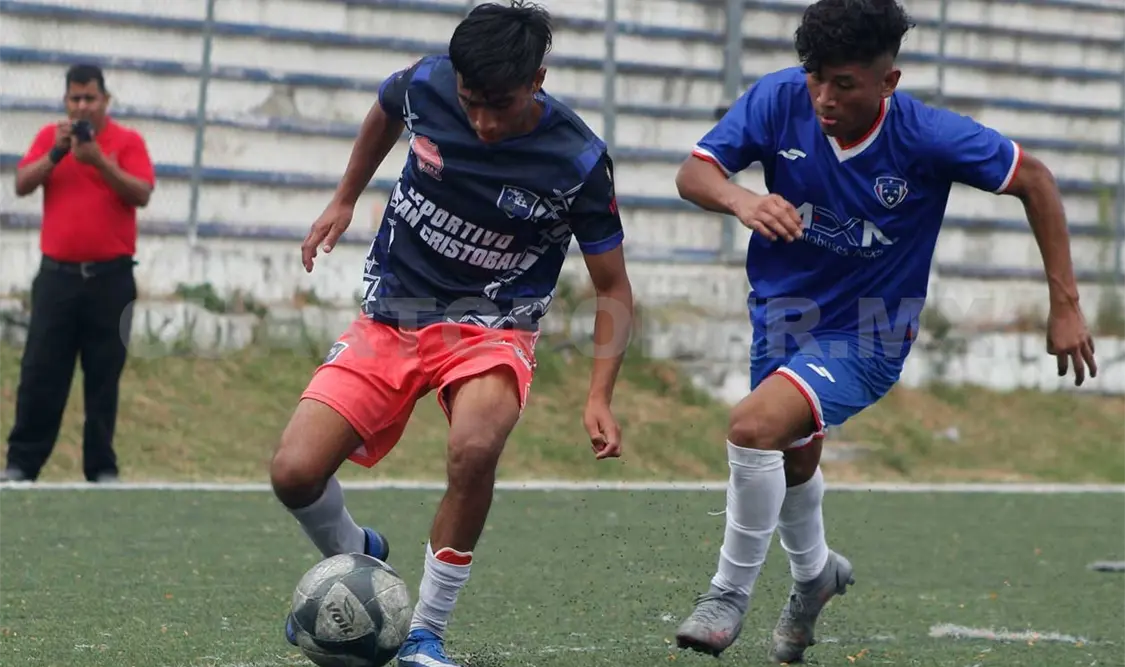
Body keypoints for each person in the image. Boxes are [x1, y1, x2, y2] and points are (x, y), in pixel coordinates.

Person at [671, 0, 1097, 663]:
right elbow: (693, 172)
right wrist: (742, 198)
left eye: (842, 83)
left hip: (870, 333)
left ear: (887, 82)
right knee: (791, 454)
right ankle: (814, 576)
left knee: (752, 427)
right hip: (781, 315)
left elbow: (1034, 179)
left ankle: (727, 592)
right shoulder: (777, 99)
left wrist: (1064, 302)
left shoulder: (927, 136)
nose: (822, 97)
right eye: (814, 77)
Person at [268, 3, 634, 666]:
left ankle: (424, 633)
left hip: (491, 326)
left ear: (538, 80)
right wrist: (346, 195)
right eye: (472, 104)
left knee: (472, 449)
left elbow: (613, 287)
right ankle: (361, 556)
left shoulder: (576, 159)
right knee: (293, 473)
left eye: (501, 104)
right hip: (393, 310)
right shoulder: (428, 84)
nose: (485, 122)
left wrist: (599, 395)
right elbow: (386, 107)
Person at [2, 63, 155, 484]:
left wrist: (99, 162)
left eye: (90, 98)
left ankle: (101, 468)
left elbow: (141, 193)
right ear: (66, 101)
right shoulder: (51, 139)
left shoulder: (127, 142)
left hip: (112, 280)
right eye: (75, 98)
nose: (82, 106)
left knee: (104, 376)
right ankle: (21, 463)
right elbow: (21, 183)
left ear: (105, 100)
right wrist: (57, 153)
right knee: (40, 372)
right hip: (57, 279)